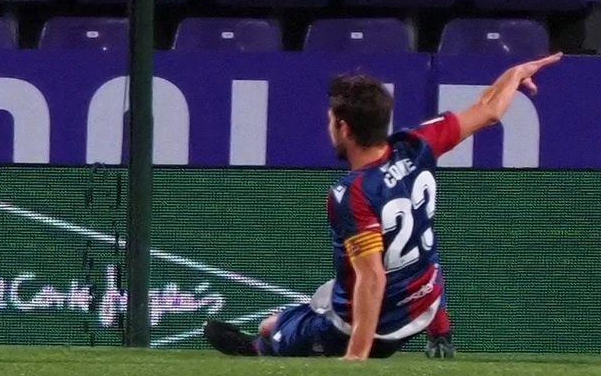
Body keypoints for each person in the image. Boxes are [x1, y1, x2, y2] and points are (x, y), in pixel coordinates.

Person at [205, 56, 559, 360]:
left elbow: (372, 277)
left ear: (343, 127)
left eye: (331, 120)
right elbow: (489, 110)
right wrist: (513, 74)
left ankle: (260, 349)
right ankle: (440, 332)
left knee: (271, 329)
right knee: (409, 258)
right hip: (424, 302)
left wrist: (356, 354)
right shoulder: (417, 143)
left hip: (378, 331)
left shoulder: (352, 193)